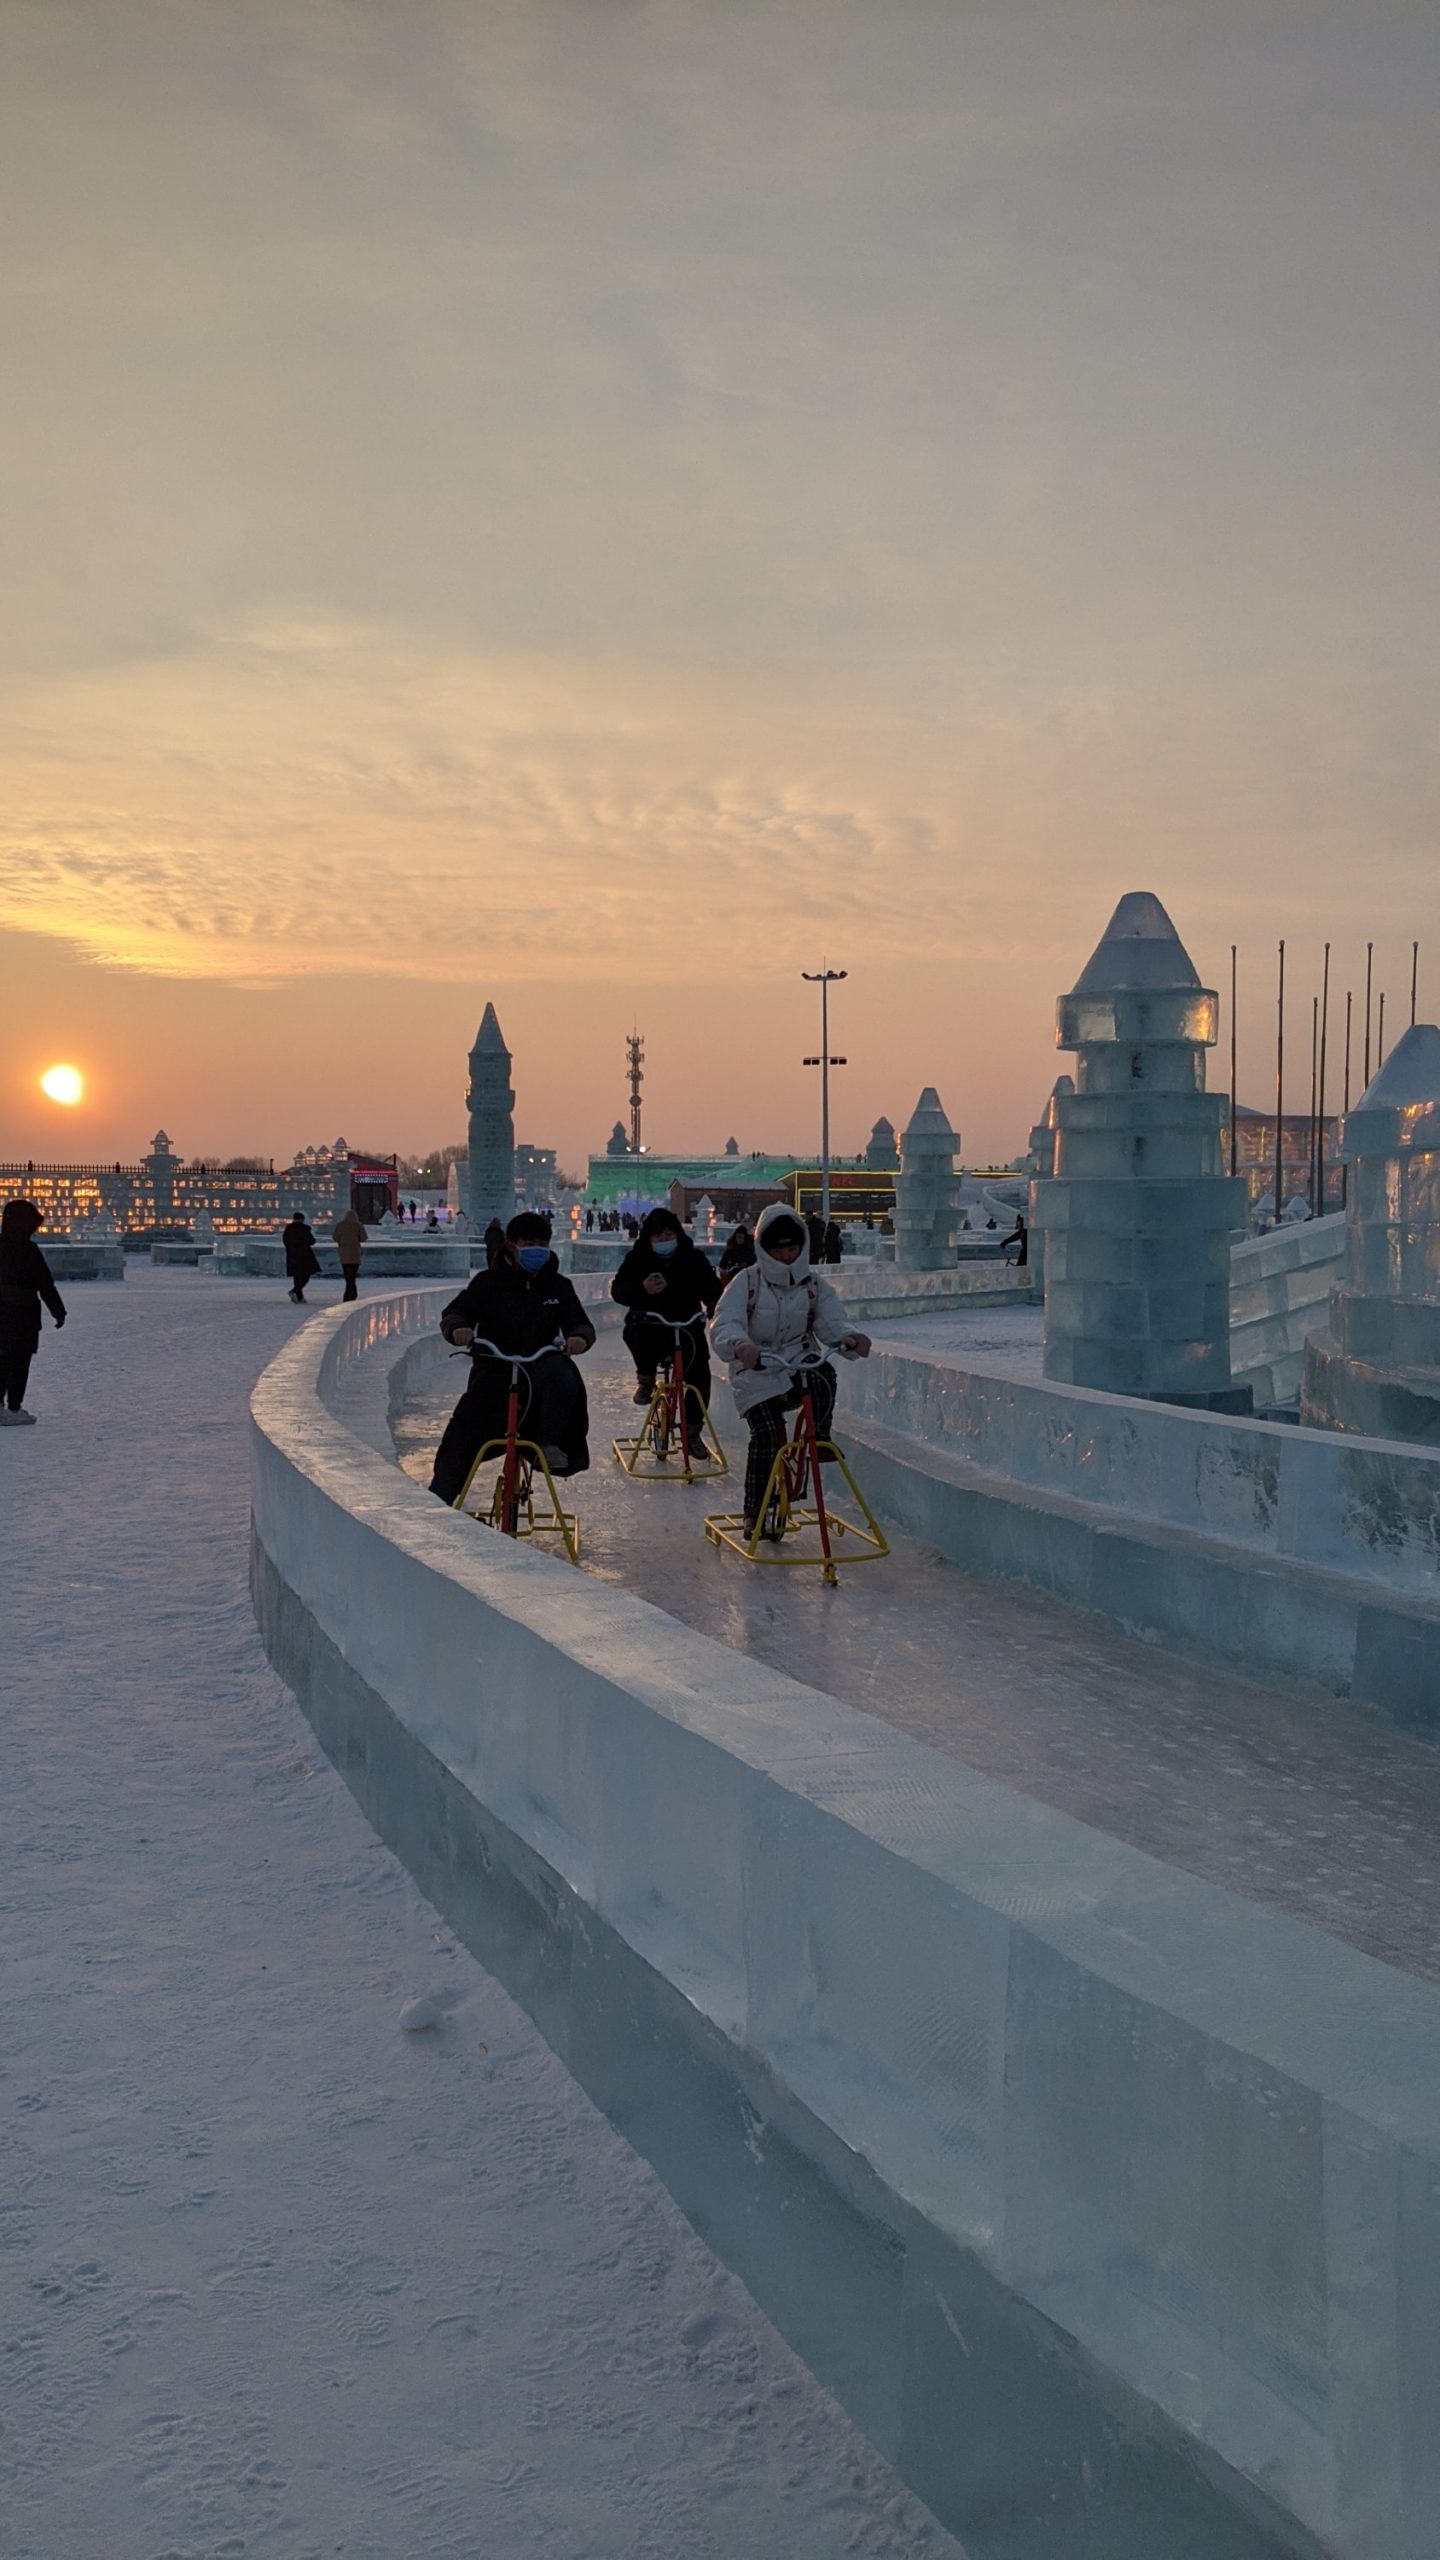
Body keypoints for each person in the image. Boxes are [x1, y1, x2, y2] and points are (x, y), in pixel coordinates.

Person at [710, 1203, 871, 1537]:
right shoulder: (747, 1282)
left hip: (797, 1360)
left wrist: (848, 1337)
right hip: (756, 1369)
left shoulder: (813, 1285)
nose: (786, 1256)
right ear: (764, 1249)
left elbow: (831, 1320)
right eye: (778, 1250)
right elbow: (725, 1322)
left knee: (824, 1375)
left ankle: (819, 1436)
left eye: (792, 1249)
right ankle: (755, 1510)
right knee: (768, 1435)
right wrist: (740, 1346)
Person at [429, 1212, 596, 1505]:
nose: (537, 1250)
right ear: (511, 1245)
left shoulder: (558, 1286)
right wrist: (459, 1328)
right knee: (465, 1429)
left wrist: (579, 1337)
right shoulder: (487, 1283)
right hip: (496, 1365)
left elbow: (578, 1321)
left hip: (541, 1364)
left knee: (565, 1375)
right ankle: (441, 1496)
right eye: (529, 1243)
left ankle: (549, 1441)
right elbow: (457, 1311)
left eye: (542, 1244)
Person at [611, 1206, 722, 1455]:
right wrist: (641, 1289)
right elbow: (618, 1290)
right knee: (638, 1336)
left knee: (699, 1373)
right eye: (658, 1235)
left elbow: (712, 1288)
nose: (664, 1239)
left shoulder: (694, 1259)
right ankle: (646, 1378)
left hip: (687, 1325)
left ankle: (692, 1431)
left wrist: (714, 1304)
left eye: (669, 1234)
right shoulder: (638, 1259)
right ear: (649, 1237)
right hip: (649, 1323)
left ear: (677, 1234)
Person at [0, 1198, 66, 1425]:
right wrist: (58, 1311)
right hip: (23, 1316)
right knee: (19, 1363)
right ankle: (14, 1409)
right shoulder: (29, 1250)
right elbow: (45, 1284)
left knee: (1, 1361)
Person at [283, 1212, 320, 1304]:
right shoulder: (304, 1229)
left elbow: (285, 1241)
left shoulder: (288, 1229)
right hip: (305, 1255)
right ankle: (295, 1291)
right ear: (302, 1219)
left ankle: (299, 1297)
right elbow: (311, 1241)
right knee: (306, 1275)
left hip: (292, 1256)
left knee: (297, 1276)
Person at [332, 1204, 366, 1302]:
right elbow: (364, 1238)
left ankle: (349, 1294)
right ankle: (352, 1294)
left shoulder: (340, 1225)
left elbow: (335, 1237)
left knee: (347, 1276)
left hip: (344, 1253)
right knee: (352, 1276)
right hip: (355, 1254)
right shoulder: (358, 1225)